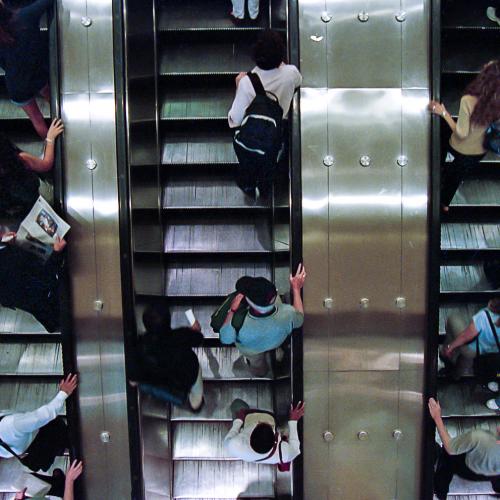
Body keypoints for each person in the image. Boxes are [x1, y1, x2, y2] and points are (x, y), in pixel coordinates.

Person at [228, 29, 302, 196]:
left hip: (253, 134)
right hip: (277, 130)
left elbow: (235, 119)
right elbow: (299, 82)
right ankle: (266, 186)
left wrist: (239, 85)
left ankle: (249, 186)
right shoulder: (291, 73)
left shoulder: (247, 83)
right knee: (270, 160)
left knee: (249, 162)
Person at [429, 60, 500, 212]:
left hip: (459, 146)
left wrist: (443, 112)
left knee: (442, 129)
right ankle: (444, 204)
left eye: (487, 66)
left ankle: (439, 164)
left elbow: (461, 133)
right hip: (478, 151)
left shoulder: (468, 100)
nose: (484, 65)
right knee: (456, 176)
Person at [219, 264, 306, 376]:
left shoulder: (238, 323)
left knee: (258, 365)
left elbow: (225, 339)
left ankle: (261, 373)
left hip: (252, 350)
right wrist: (296, 289)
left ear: (249, 302)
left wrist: (232, 310)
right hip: (276, 341)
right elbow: (299, 319)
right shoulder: (287, 313)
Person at [0, 374, 77, 474]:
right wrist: (63, 393)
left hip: (36, 446)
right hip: (49, 433)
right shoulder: (11, 424)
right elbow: (43, 416)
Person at [0, 0, 55, 138]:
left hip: (16, 84)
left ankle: (53, 147)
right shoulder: (25, 17)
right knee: (53, 99)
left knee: (37, 121)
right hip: (35, 72)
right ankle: (65, 119)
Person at [134, 304, 204, 411]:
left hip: (165, 381)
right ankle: (196, 403)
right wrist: (195, 331)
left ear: (145, 324)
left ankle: (183, 400)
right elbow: (199, 339)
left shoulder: (141, 344)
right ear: (169, 321)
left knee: (141, 384)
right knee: (195, 382)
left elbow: (133, 377)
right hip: (190, 372)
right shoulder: (181, 335)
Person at [428, 398, 500, 499]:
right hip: (488, 473)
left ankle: (440, 491)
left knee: (447, 465)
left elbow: (450, 448)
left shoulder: (479, 438)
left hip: (467, 464)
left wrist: (437, 417)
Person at [0, 231, 66, 332]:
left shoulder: (6, 254)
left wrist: (6, 244)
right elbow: (40, 282)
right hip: (57, 303)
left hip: (52, 306)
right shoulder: (7, 265)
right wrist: (56, 253)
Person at [0, 119, 64, 220]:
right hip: (33, 194)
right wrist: (50, 138)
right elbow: (46, 164)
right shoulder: (21, 160)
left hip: (14, 208)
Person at [224, 399, 305, 464]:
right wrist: (293, 421)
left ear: (250, 436)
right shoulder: (283, 454)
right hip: (273, 422)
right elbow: (295, 450)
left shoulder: (235, 445)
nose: (261, 422)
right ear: (275, 441)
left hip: (246, 423)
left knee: (237, 404)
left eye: (259, 424)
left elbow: (227, 440)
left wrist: (238, 421)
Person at [440, 298, 500, 379]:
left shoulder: (485, 316)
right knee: (466, 359)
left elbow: (465, 336)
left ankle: (448, 357)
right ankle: (456, 376)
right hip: (486, 352)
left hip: (471, 348)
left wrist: (450, 347)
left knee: (453, 319)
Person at [14, 459, 83, 500]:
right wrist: (69, 480)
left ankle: (59, 481)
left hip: (44, 495)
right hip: (64, 497)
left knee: (56, 472)